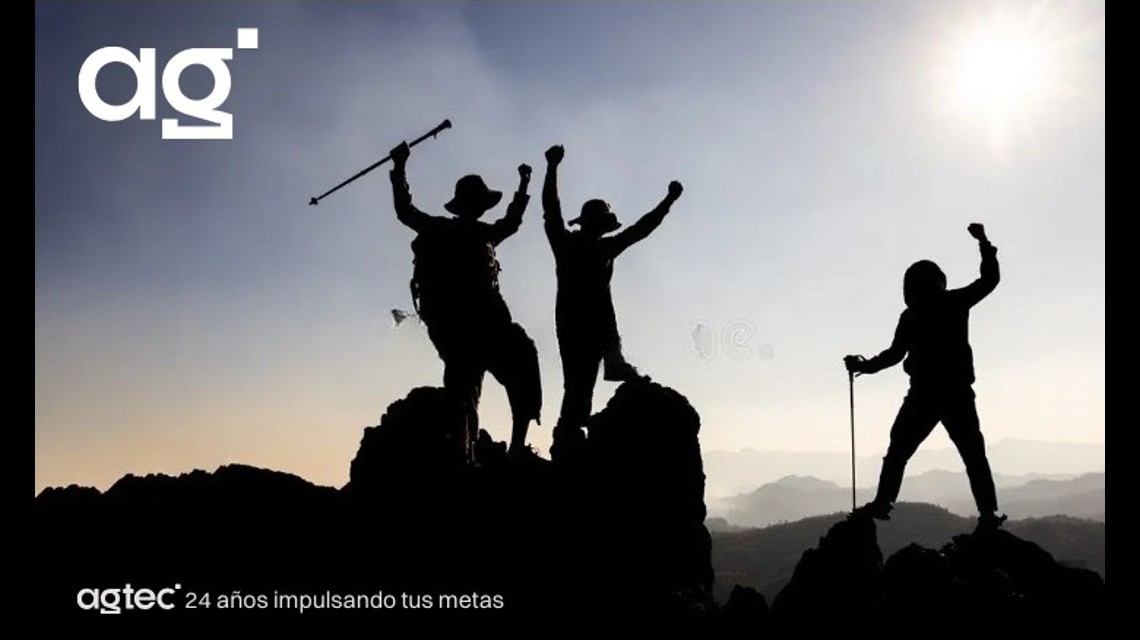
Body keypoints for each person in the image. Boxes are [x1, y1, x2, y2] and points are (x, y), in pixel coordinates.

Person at [845, 223, 1006, 529]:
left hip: (924, 394)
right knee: (972, 454)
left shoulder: (912, 316)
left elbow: (894, 355)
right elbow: (990, 280)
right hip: (955, 392)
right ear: (939, 282)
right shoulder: (953, 303)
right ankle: (988, 513)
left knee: (899, 451)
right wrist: (984, 243)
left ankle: (883, 503)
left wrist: (864, 367)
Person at [388, 141, 541, 457]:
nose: (479, 208)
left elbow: (511, 223)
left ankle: (512, 448)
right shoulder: (441, 229)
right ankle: (466, 454)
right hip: (456, 324)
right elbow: (405, 211)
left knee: (518, 365)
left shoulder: (483, 234)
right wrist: (399, 167)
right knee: (465, 390)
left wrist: (524, 186)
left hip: (488, 321)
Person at [541, 144, 683, 461]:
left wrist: (668, 202)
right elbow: (552, 209)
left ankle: (571, 434)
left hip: (588, 324)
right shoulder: (579, 245)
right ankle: (568, 436)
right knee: (579, 384)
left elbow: (640, 229)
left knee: (580, 384)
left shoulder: (583, 245)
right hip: (582, 324)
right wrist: (551, 168)